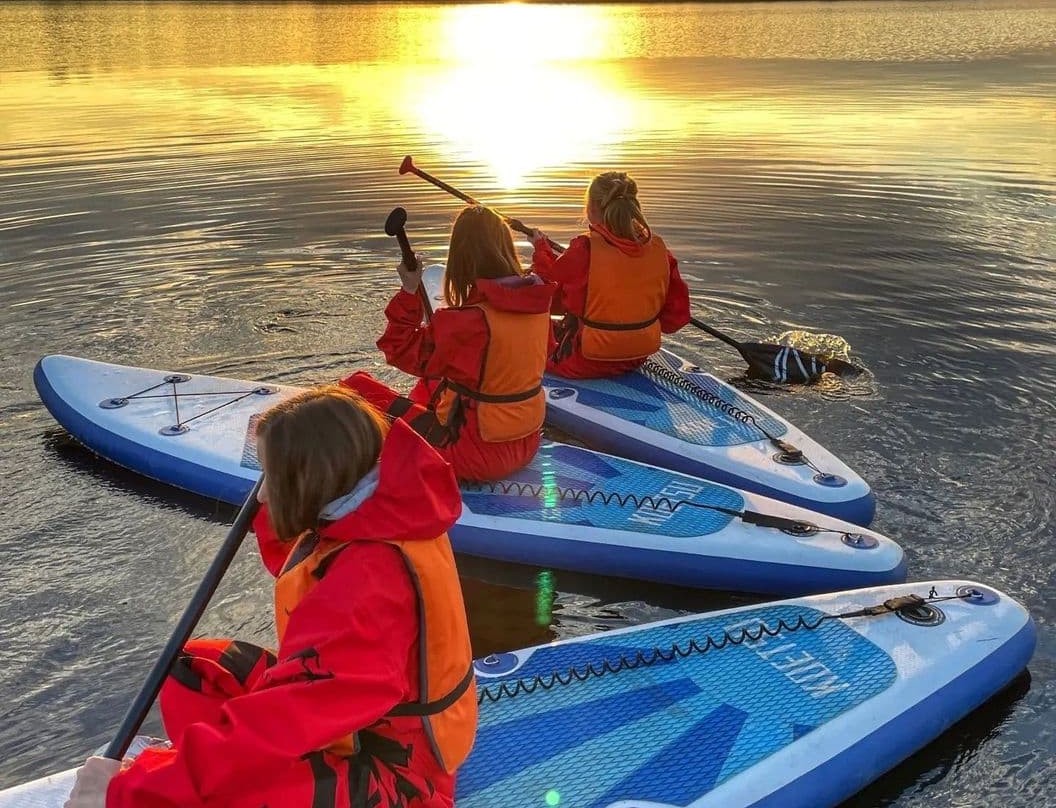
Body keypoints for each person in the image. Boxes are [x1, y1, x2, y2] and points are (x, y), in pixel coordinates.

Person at [65, 387, 476, 808]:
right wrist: (291, 436)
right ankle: (195, 776)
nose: (261, 495)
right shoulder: (377, 507)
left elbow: (284, 721)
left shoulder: (368, 579)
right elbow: (288, 551)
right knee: (193, 668)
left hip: (400, 778)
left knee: (234, 783)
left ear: (310, 477)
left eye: (270, 478)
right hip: (353, 728)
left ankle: (189, 787)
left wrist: (125, 794)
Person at [342, 205, 556, 483]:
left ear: (461, 258)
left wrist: (409, 290)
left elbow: (398, 348)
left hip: (471, 456)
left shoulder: (464, 321)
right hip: (527, 444)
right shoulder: (539, 305)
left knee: (355, 387)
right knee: (431, 385)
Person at [529, 171, 691, 379]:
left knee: (518, 329)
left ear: (593, 208)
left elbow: (547, 297)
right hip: (637, 356)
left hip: (585, 360)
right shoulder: (659, 249)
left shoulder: (584, 248)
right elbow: (674, 319)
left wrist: (541, 250)